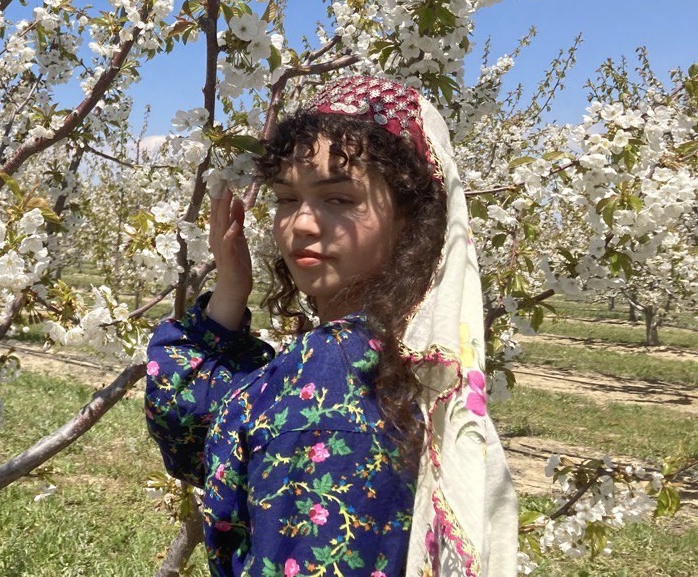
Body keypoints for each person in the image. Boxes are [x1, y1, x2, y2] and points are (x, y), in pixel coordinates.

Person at [144, 76, 517, 577]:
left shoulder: (333, 372)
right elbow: (198, 428)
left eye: (339, 199)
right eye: (285, 199)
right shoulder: (395, 355)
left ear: (411, 218)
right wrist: (232, 289)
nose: (300, 224)